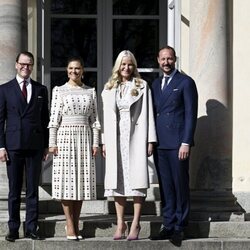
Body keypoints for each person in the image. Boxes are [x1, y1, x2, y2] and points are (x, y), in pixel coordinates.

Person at [101, 50, 157, 241]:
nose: (126, 68)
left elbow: (148, 113)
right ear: (118, 66)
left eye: (130, 64)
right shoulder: (109, 88)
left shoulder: (142, 85)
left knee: (137, 181)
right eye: (123, 64)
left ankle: (135, 223)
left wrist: (150, 140)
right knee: (118, 181)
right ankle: (120, 223)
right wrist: (104, 142)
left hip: (136, 136)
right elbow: (104, 118)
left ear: (134, 66)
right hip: (115, 137)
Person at [48, 56, 101, 240]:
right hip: (64, 139)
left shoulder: (90, 91)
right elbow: (53, 120)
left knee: (81, 183)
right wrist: (52, 144)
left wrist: (95, 143)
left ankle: (76, 223)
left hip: (84, 139)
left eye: (77, 68)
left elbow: (95, 120)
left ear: (83, 70)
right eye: (71, 68)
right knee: (66, 182)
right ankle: (70, 224)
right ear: (67, 70)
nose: (74, 71)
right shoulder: (59, 91)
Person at [151, 46, 198, 244]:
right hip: (160, 143)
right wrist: (150, 141)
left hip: (178, 143)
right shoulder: (154, 84)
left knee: (180, 186)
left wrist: (186, 142)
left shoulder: (185, 82)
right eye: (163, 59)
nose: (166, 63)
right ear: (158, 61)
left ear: (175, 60)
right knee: (166, 187)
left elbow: (190, 115)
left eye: (169, 59)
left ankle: (180, 226)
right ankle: (168, 224)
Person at [0, 51, 49, 242]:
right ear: (16, 64)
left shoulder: (40, 89)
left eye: (29, 64)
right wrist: (1, 147)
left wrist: (46, 145)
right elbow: (0, 120)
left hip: (35, 145)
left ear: (32, 66)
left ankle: (31, 227)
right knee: (14, 190)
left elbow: (45, 119)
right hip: (13, 146)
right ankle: (13, 228)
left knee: (32, 190)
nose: (25, 67)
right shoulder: (4, 89)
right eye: (22, 64)